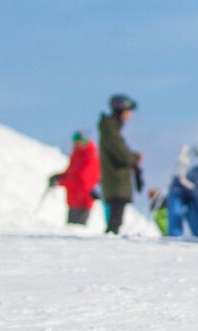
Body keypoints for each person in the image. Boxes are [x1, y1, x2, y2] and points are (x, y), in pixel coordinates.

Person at [97, 94, 141, 235]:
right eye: (128, 112)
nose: (130, 116)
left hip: (115, 183)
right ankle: (109, 248)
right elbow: (121, 154)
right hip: (116, 182)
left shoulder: (111, 129)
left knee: (115, 220)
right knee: (114, 222)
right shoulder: (110, 130)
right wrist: (133, 158)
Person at [49, 131, 100, 225]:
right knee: (71, 230)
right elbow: (70, 174)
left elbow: (82, 181)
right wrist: (59, 177)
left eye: (78, 140)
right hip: (73, 200)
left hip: (83, 201)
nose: (75, 143)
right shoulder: (76, 156)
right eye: (74, 140)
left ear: (85, 141)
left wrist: (61, 181)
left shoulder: (89, 158)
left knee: (76, 232)